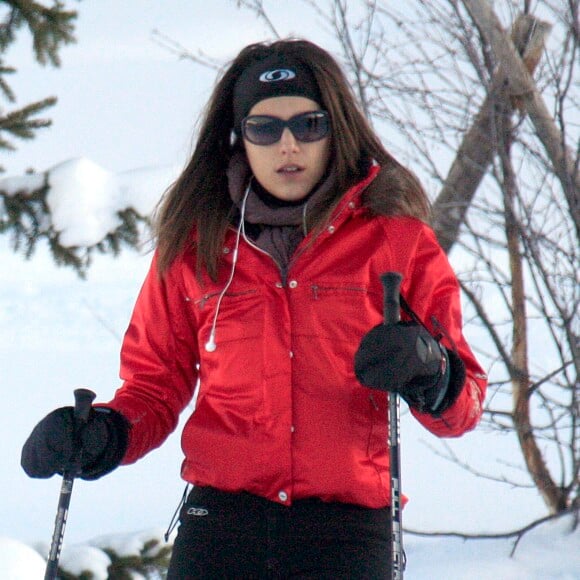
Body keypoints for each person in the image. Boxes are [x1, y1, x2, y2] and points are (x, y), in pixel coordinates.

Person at [21, 38, 487, 578]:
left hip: (347, 531)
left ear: (336, 130)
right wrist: (103, 434)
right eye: (265, 128)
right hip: (222, 526)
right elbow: (154, 387)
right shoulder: (196, 247)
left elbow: (466, 402)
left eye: (308, 124)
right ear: (238, 138)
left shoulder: (396, 242)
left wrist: (432, 372)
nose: (287, 145)